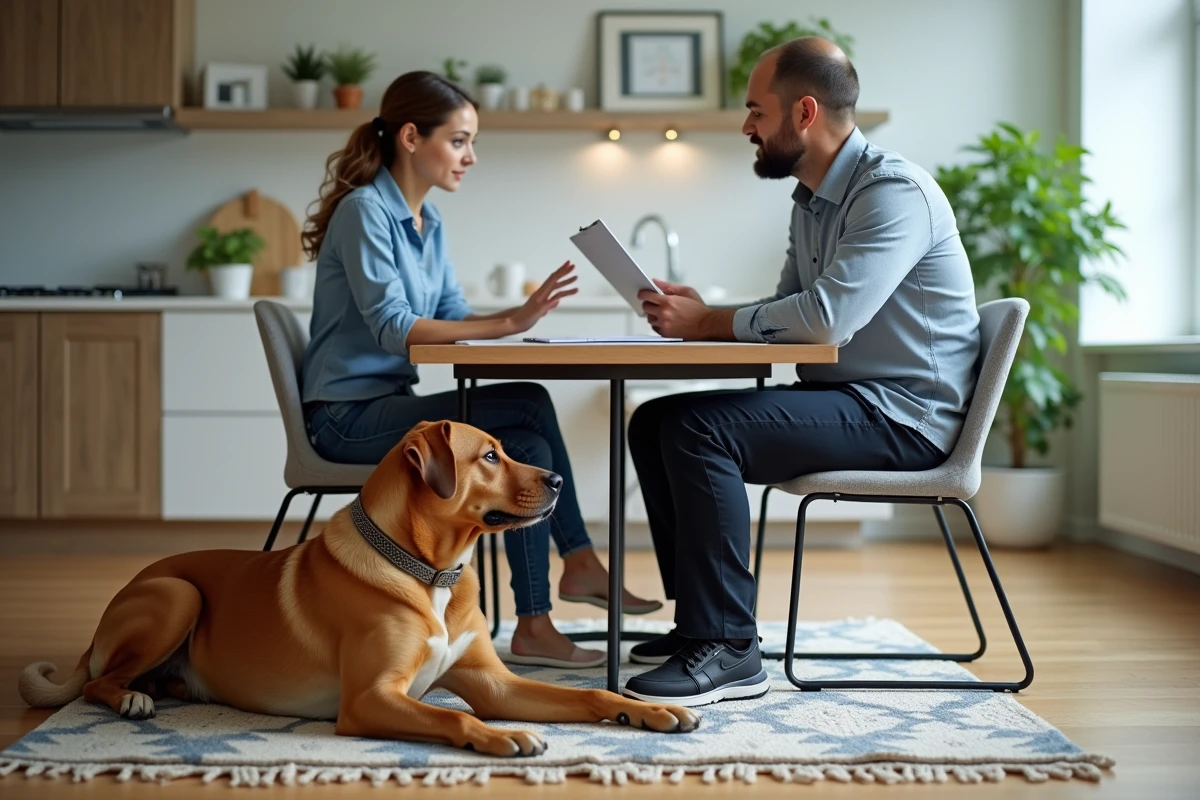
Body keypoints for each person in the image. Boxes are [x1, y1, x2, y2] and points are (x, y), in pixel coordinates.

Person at [619, 38, 981, 706]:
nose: (746, 127)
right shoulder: (811, 201)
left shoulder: (892, 192)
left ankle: (728, 647)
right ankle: (699, 621)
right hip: (852, 400)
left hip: (904, 417)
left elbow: (824, 321)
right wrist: (708, 312)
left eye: (757, 110)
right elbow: (787, 309)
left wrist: (708, 323)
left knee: (701, 431)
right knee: (655, 421)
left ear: (804, 112)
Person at [299, 71, 661, 669]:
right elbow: (396, 327)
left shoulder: (429, 222)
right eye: (460, 140)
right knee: (525, 402)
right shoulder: (366, 211)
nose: (471, 156)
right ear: (412, 137)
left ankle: (538, 621)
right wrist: (508, 322)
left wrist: (519, 320)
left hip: (387, 404)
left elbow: (447, 317)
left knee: (521, 431)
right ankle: (577, 565)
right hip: (344, 418)